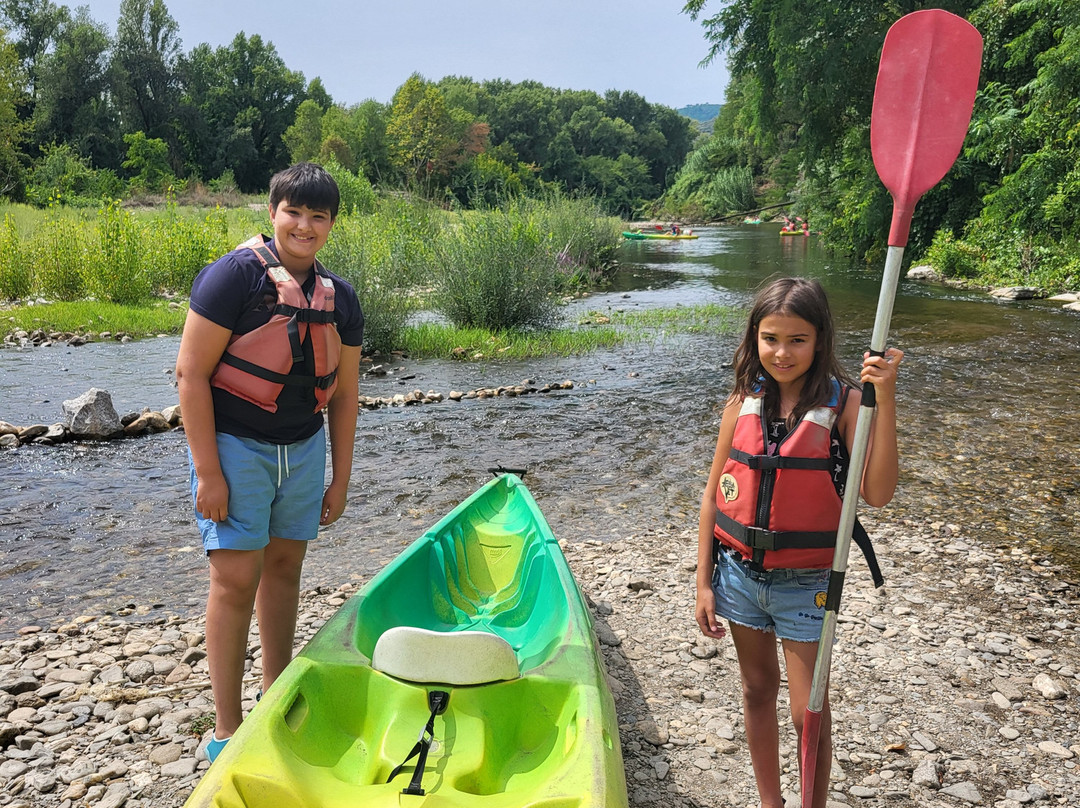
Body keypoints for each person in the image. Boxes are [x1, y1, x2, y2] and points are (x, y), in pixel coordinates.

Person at [176, 162, 364, 763]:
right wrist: (208, 473)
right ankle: (227, 731)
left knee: (284, 568)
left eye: (318, 217)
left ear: (331, 224)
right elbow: (190, 375)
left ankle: (276, 695)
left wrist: (340, 478)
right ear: (272, 212)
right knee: (235, 579)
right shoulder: (232, 278)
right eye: (294, 212)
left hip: (303, 450)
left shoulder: (341, 298)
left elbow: (346, 394)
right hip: (236, 448)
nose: (304, 226)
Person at [694, 277, 901, 808]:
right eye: (770, 339)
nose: (781, 353)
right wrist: (703, 582)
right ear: (754, 339)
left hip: (808, 582)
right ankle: (771, 802)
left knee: (808, 711)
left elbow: (877, 493)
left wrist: (885, 398)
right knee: (756, 689)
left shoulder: (847, 404)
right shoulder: (742, 401)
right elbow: (714, 496)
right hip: (738, 575)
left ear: (820, 339)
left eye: (797, 340)